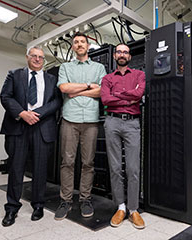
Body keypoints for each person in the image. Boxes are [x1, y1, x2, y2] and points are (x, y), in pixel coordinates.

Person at [0, 46, 62, 227]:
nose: (37, 59)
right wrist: (22, 113)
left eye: (40, 57)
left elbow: (57, 101)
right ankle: (11, 208)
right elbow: (5, 97)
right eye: (33, 56)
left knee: (40, 169)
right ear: (27, 57)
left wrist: (38, 113)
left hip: (42, 128)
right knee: (16, 169)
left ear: (44, 60)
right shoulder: (14, 74)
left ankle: (38, 205)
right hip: (18, 126)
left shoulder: (52, 79)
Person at [54, 32, 106, 220]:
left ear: (88, 45)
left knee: (88, 163)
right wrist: (87, 86)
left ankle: (85, 199)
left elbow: (101, 92)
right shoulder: (65, 67)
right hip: (70, 120)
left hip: (91, 121)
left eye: (82, 41)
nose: (79, 44)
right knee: (67, 162)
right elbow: (64, 89)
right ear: (73, 47)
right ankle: (65, 201)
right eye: (75, 42)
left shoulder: (99, 67)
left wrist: (77, 92)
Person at [100, 43, 146, 229]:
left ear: (129, 56)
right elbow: (105, 99)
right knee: (115, 167)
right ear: (114, 56)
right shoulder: (107, 78)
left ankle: (133, 209)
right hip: (112, 122)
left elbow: (139, 93)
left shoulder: (139, 75)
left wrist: (118, 94)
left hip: (132, 123)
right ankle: (120, 207)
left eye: (125, 52)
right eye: (119, 51)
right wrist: (129, 96)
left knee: (133, 168)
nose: (122, 54)